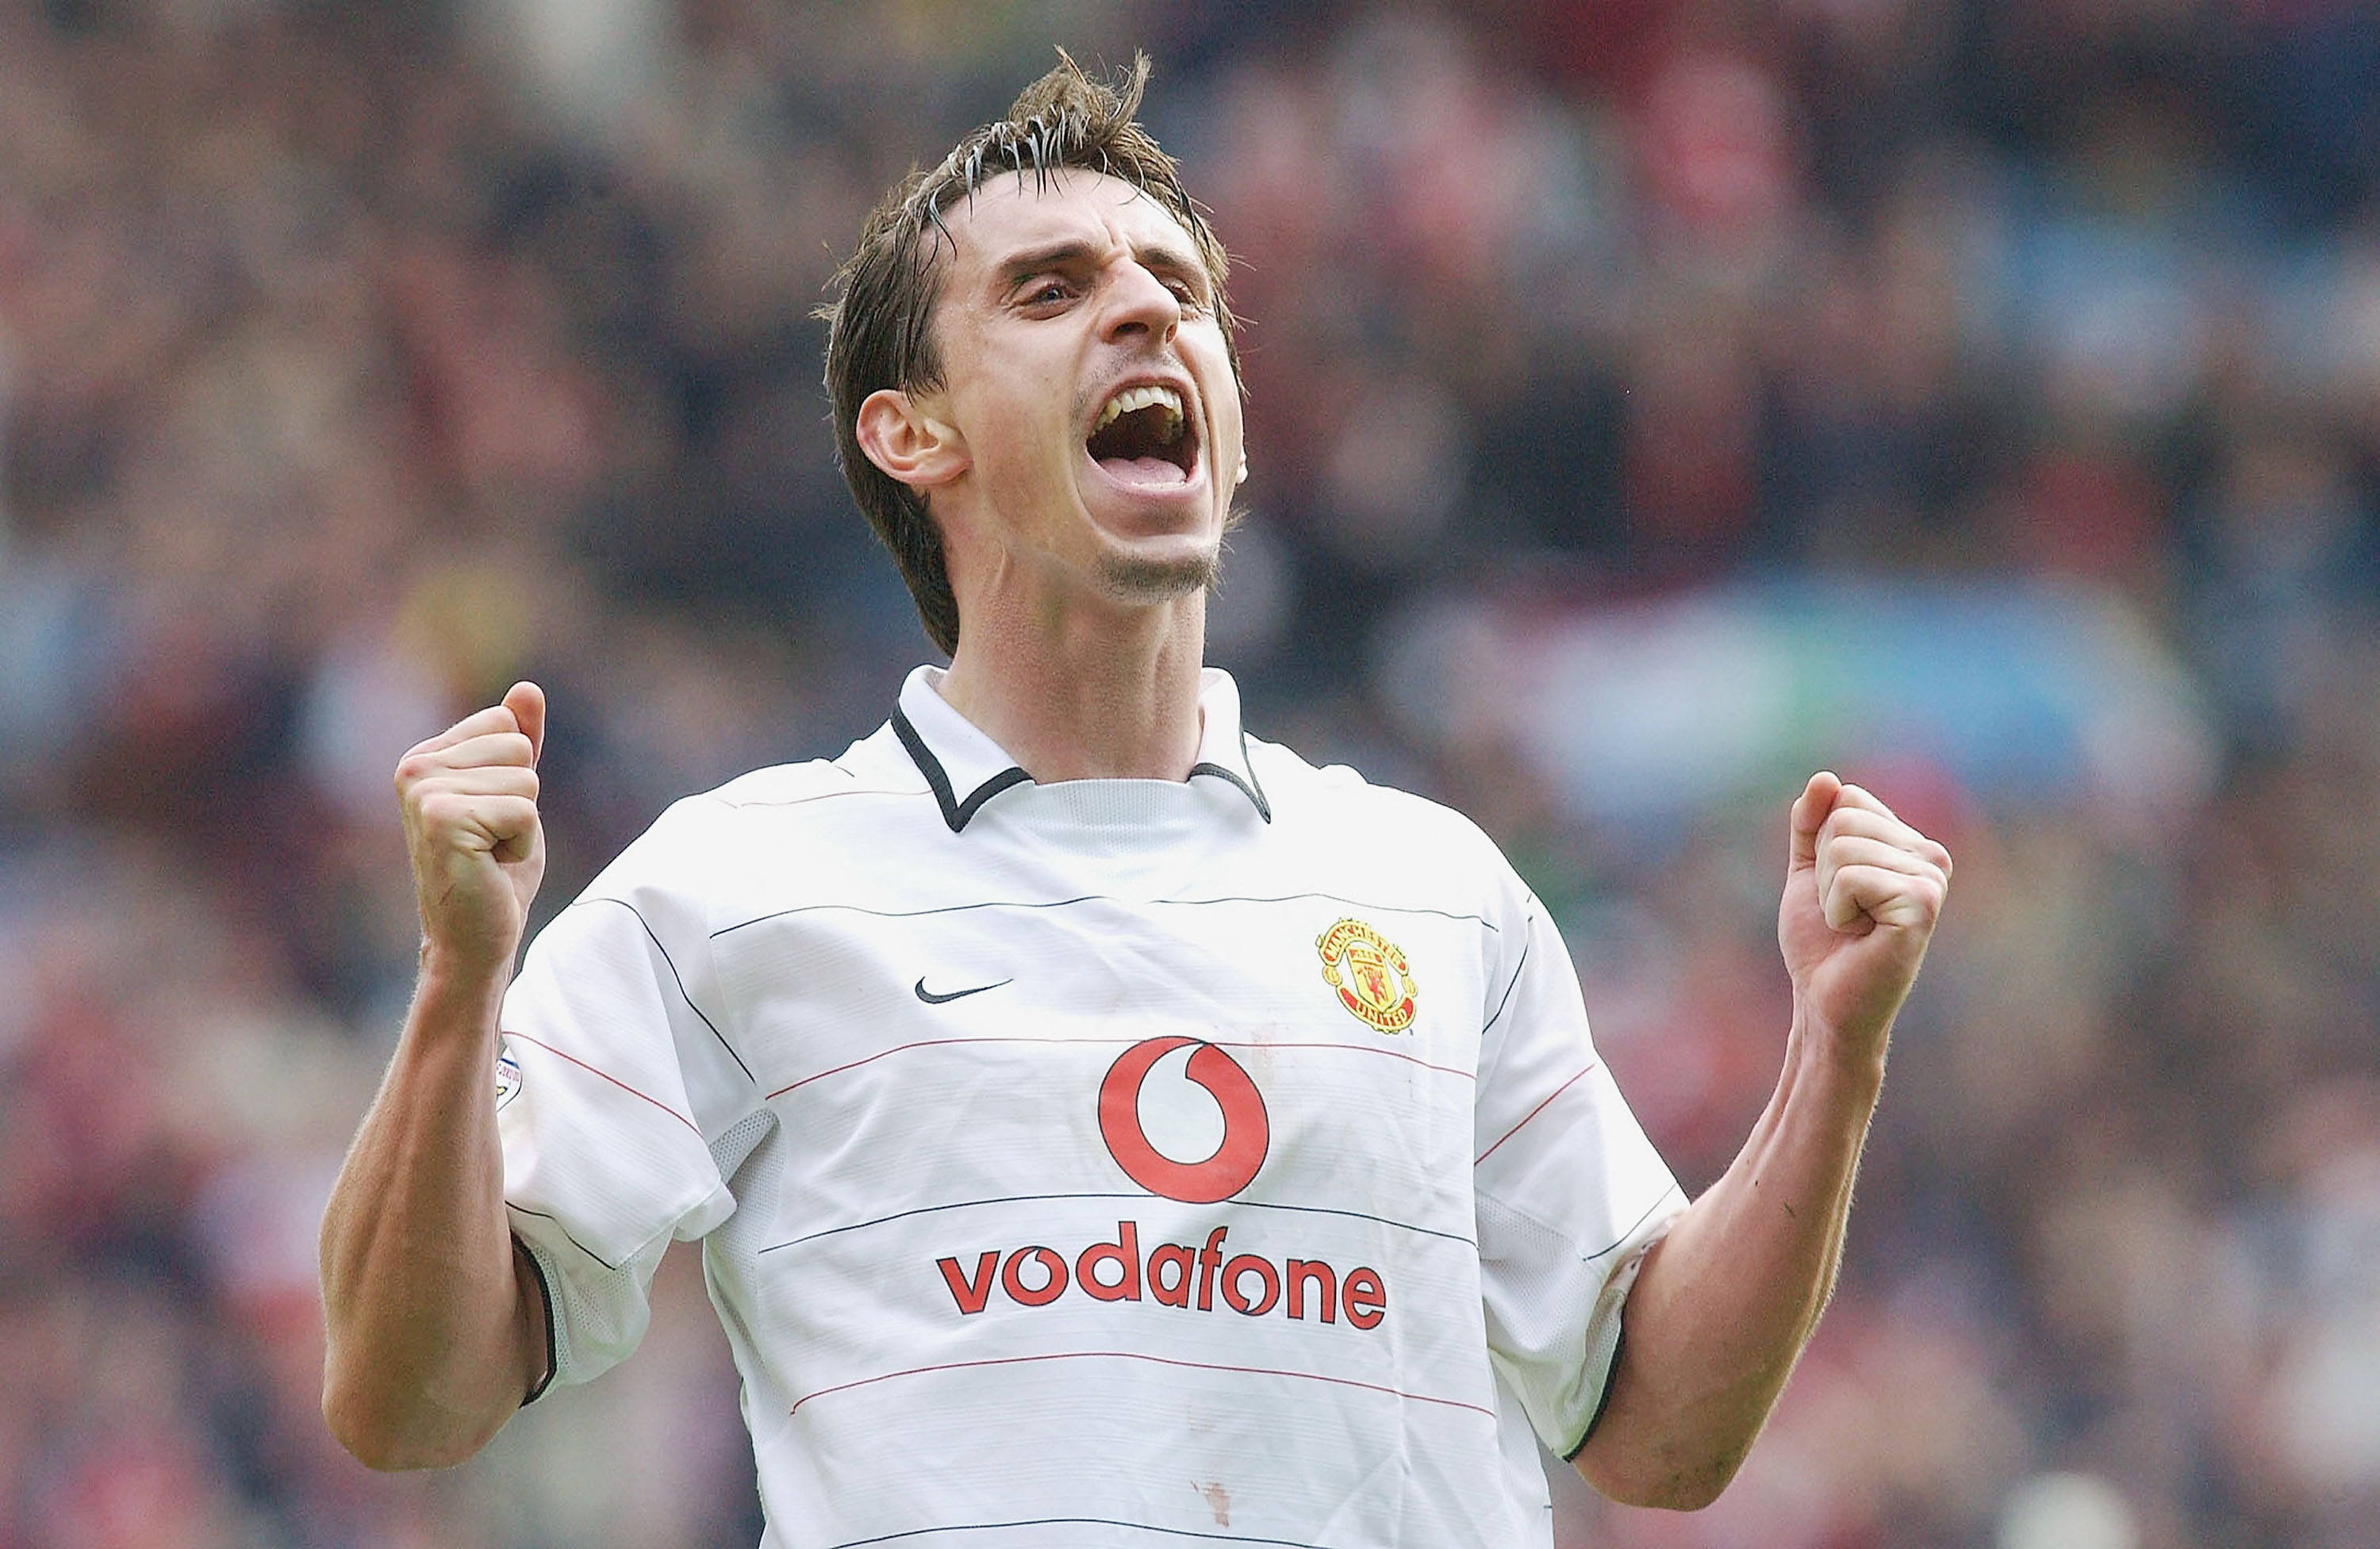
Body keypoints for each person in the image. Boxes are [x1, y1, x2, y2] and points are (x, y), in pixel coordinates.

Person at [319, 53, 1950, 1547]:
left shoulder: (1436, 888)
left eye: (1179, 289)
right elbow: (410, 1401)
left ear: (1232, 438)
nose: (1147, 316)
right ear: (913, 432)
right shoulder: (735, 888)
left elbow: (1659, 1429)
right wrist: (463, 985)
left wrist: (1837, 1047)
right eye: (1051, 288)